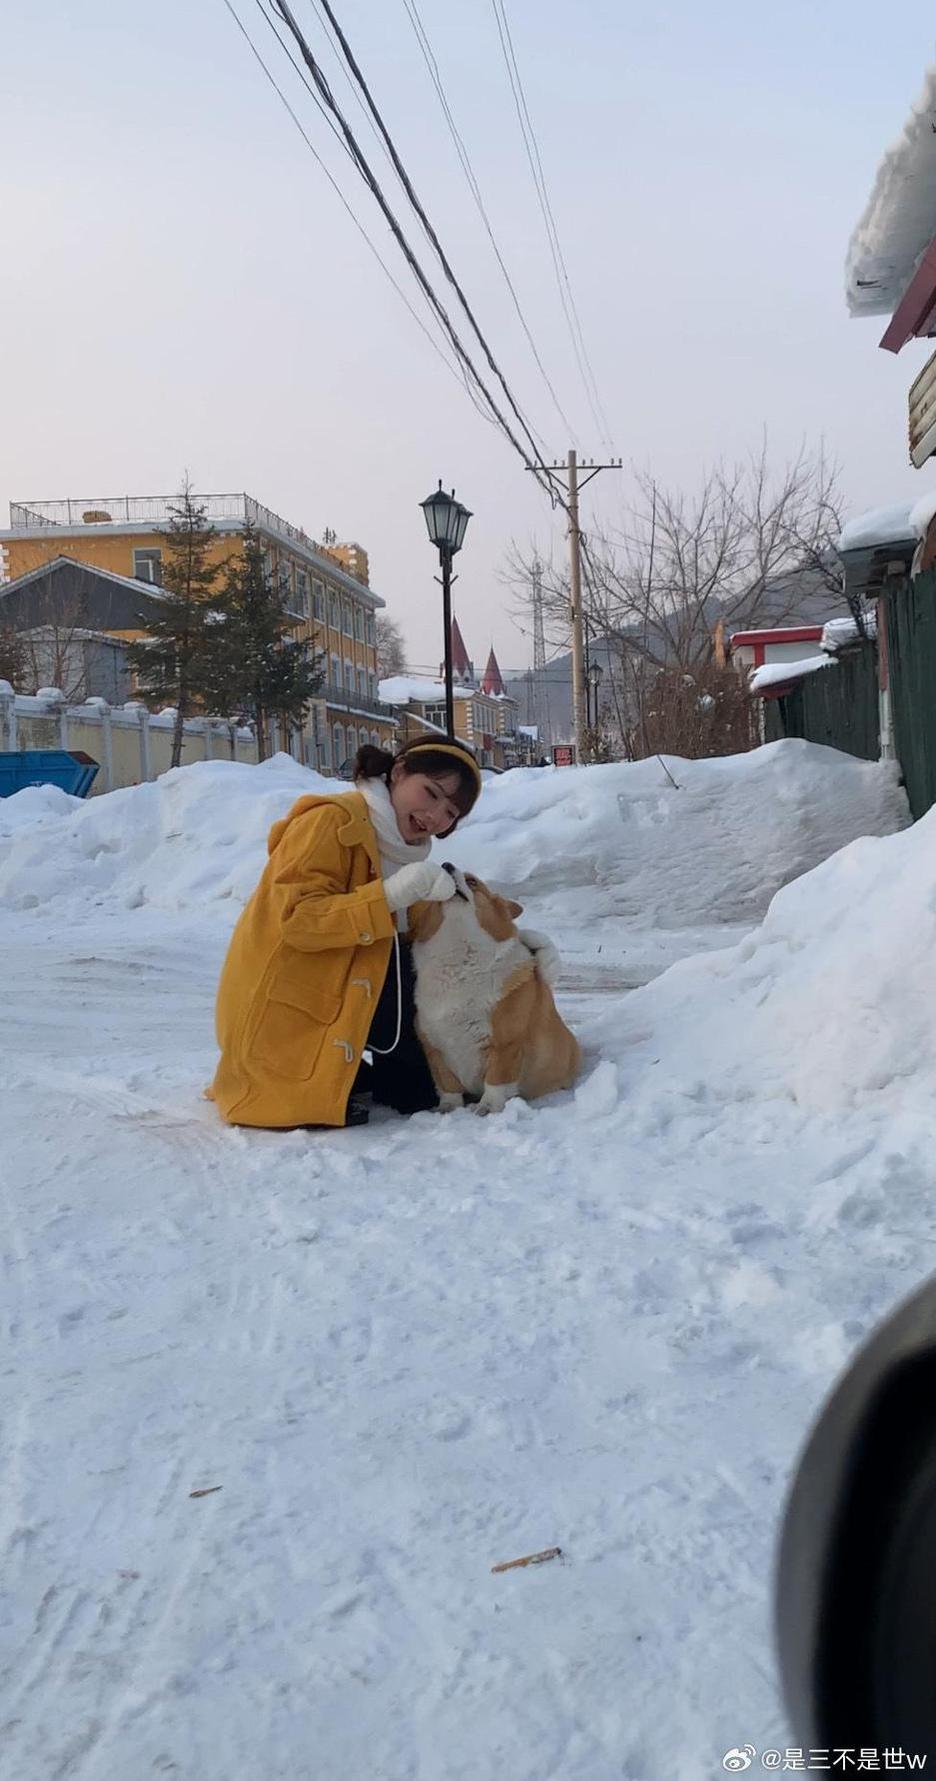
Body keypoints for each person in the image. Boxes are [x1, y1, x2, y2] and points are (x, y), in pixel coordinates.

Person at [208, 737, 482, 1129]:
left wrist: (505, 944)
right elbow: (298, 920)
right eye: (431, 793)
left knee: (423, 1078)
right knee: (408, 985)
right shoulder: (329, 822)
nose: (435, 816)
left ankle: (379, 1072)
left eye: (451, 812)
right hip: (284, 1007)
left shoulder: (402, 849)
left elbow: (420, 937)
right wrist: (389, 895)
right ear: (399, 771)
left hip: (342, 991)